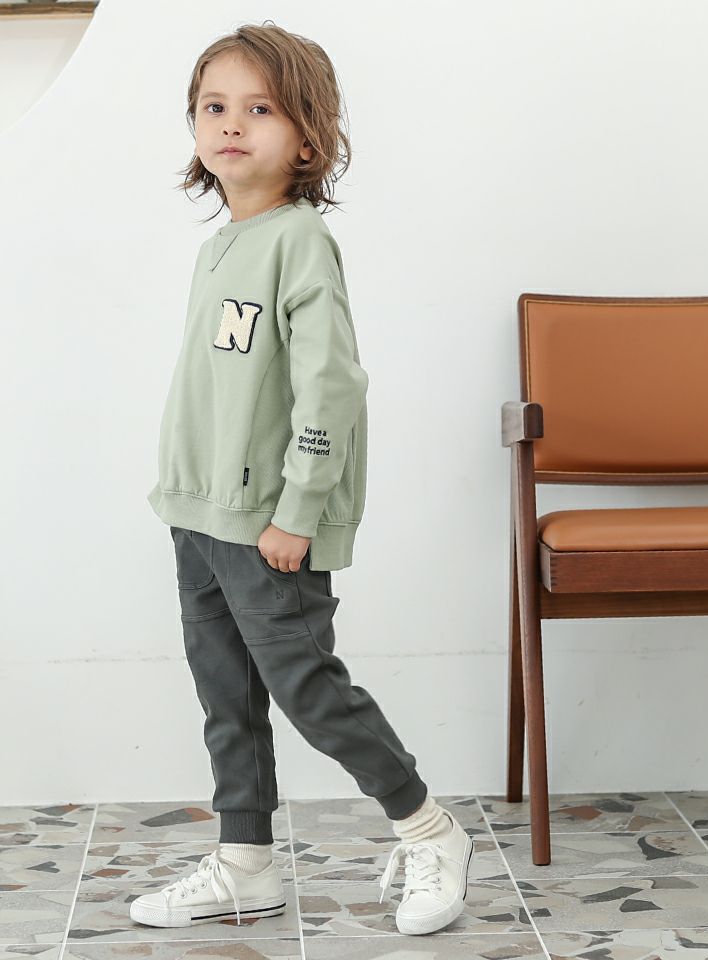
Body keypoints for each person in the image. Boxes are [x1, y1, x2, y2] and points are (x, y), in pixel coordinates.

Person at [129, 21, 473, 937]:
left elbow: (332, 384)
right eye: (214, 107)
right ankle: (244, 864)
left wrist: (298, 510)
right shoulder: (221, 247)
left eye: (260, 109)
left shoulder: (300, 241)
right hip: (199, 516)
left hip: (266, 523)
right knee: (226, 699)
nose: (230, 124)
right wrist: (185, 497)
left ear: (308, 139)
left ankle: (429, 829)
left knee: (308, 690)